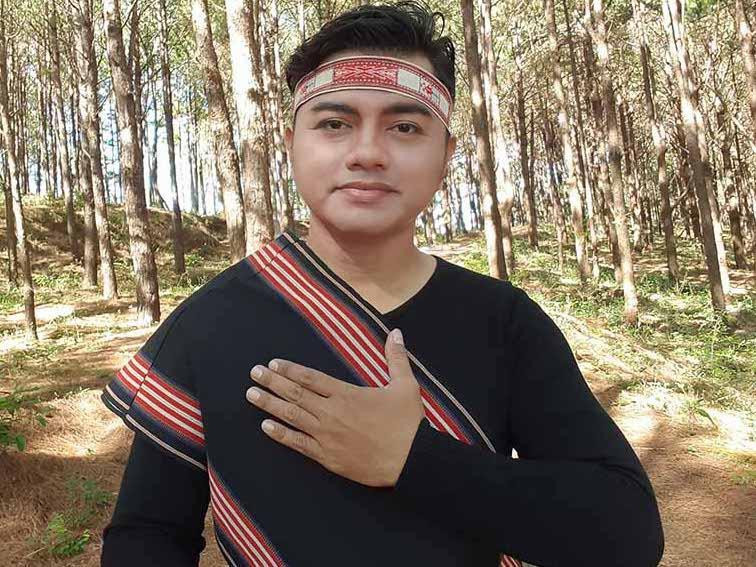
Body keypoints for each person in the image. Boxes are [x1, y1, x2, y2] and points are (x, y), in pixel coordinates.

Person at [100, 3, 664, 566]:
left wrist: (414, 460)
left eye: (405, 127)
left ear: (446, 157)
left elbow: (627, 533)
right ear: (291, 144)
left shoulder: (504, 322)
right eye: (334, 124)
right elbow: (147, 535)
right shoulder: (208, 323)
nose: (368, 153)